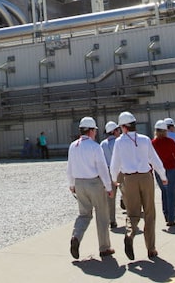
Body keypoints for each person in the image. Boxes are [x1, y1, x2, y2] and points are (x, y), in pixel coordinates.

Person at [109, 111, 167, 261]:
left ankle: (130, 234)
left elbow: (115, 163)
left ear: (123, 127)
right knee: (149, 212)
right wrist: (163, 176)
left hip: (129, 179)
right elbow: (154, 159)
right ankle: (151, 248)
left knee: (132, 212)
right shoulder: (145, 139)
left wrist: (114, 180)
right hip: (146, 177)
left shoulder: (119, 142)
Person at [67, 117, 114, 259]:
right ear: (91, 130)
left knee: (84, 214)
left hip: (79, 183)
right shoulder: (95, 146)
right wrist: (108, 186)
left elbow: (69, 167)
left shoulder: (73, 146)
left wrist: (72, 184)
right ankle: (104, 247)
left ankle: (76, 236)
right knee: (102, 215)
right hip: (94, 183)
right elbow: (102, 168)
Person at [152, 120, 175, 227]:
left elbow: (149, 158)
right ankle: (171, 218)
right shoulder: (170, 142)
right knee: (171, 193)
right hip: (171, 169)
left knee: (164, 192)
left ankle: (166, 215)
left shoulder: (152, 143)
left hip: (159, 170)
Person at [99, 121, 122, 229]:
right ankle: (131, 217)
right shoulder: (119, 142)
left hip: (108, 172)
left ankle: (112, 221)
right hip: (120, 171)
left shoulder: (102, 144)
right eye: (117, 130)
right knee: (127, 194)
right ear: (114, 131)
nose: (119, 131)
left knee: (110, 197)